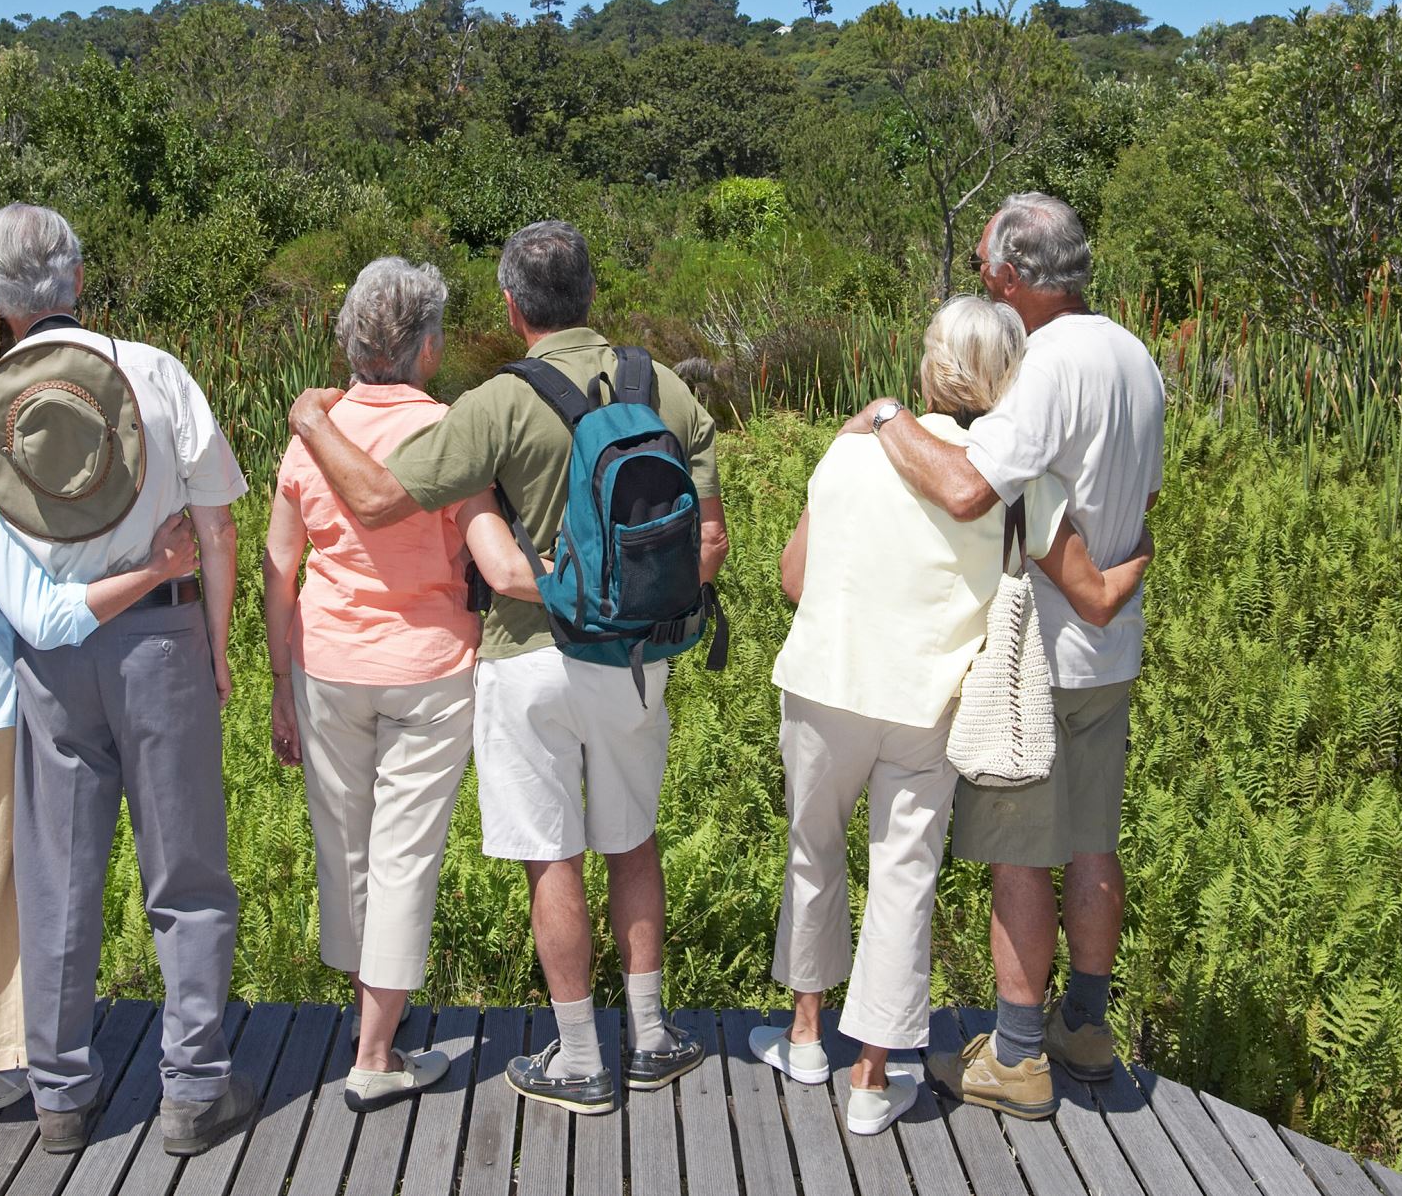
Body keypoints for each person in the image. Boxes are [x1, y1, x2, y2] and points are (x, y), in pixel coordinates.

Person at [286, 220, 726, 1115]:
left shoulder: (498, 403)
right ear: (590, 293)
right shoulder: (667, 390)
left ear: (512, 305)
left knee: (550, 853)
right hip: (635, 657)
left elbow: (371, 498)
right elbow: (709, 541)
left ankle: (576, 1059)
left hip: (529, 654)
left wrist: (308, 419)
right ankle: (648, 1037)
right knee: (632, 838)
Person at [0, 205, 255, 1160]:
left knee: (59, 873)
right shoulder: (155, 372)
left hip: (47, 661)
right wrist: (221, 647)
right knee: (186, 873)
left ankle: (63, 1093)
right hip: (162, 639)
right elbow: (220, 522)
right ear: (76, 277)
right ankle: (195, 1086)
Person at [758, 297, 1151, 1132]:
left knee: (812, 851)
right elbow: (1096, 598)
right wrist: (1142, 545)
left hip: (825, 685)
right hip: (928, 705)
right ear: (1011, 375)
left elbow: (795, 581)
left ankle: (801, 1035)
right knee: (904, 878)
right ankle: (871, 1078)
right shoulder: (1019, 482)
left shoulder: (854, 449)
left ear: (930, 364)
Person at [846, 194, 1166, 1118]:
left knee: (1020, 852)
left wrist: (887, 418)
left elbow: (966, 487)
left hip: (1042, 655)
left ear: (1014, 277)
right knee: (1094, 839)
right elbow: (1138, 501)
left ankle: (1018, 1056)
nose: (984, 279)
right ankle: (1087, 1026)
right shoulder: (1132, 354)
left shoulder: (1048, 367)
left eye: (989, 266)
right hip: (1112, 647)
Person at [264, 257, 546, 1111]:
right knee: (403, 857)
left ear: (350, 339)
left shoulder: (313, 429)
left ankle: (368, 1022)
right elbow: (482, 546)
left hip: (327, 663)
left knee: (343, 846)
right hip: (431, 666)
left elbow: (283, 562)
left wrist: (279, 679)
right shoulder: (451, 429)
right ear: (427, 347)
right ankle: (376, 1050)